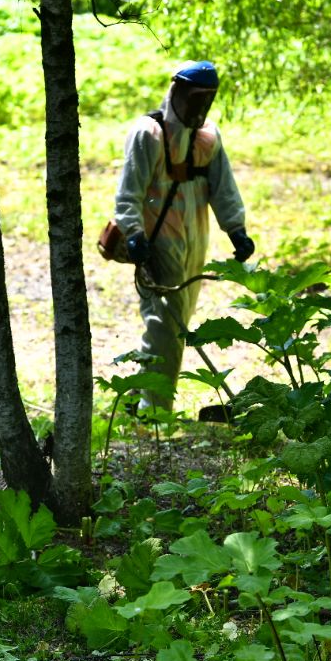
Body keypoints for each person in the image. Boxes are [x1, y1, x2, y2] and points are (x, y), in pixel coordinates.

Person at [113, 61, 254, 413]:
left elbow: (223, 188)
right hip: (157, 242)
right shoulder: (149, 134)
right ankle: (153, 408)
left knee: (177, 323)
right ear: (177, 92)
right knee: (164, 325)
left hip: (194, 242)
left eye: (207, 100)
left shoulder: (208, 136)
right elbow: (129, 192)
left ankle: (145, 395)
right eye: (194, 99)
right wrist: (133, 233)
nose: (199, 108)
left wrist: (236, 229)